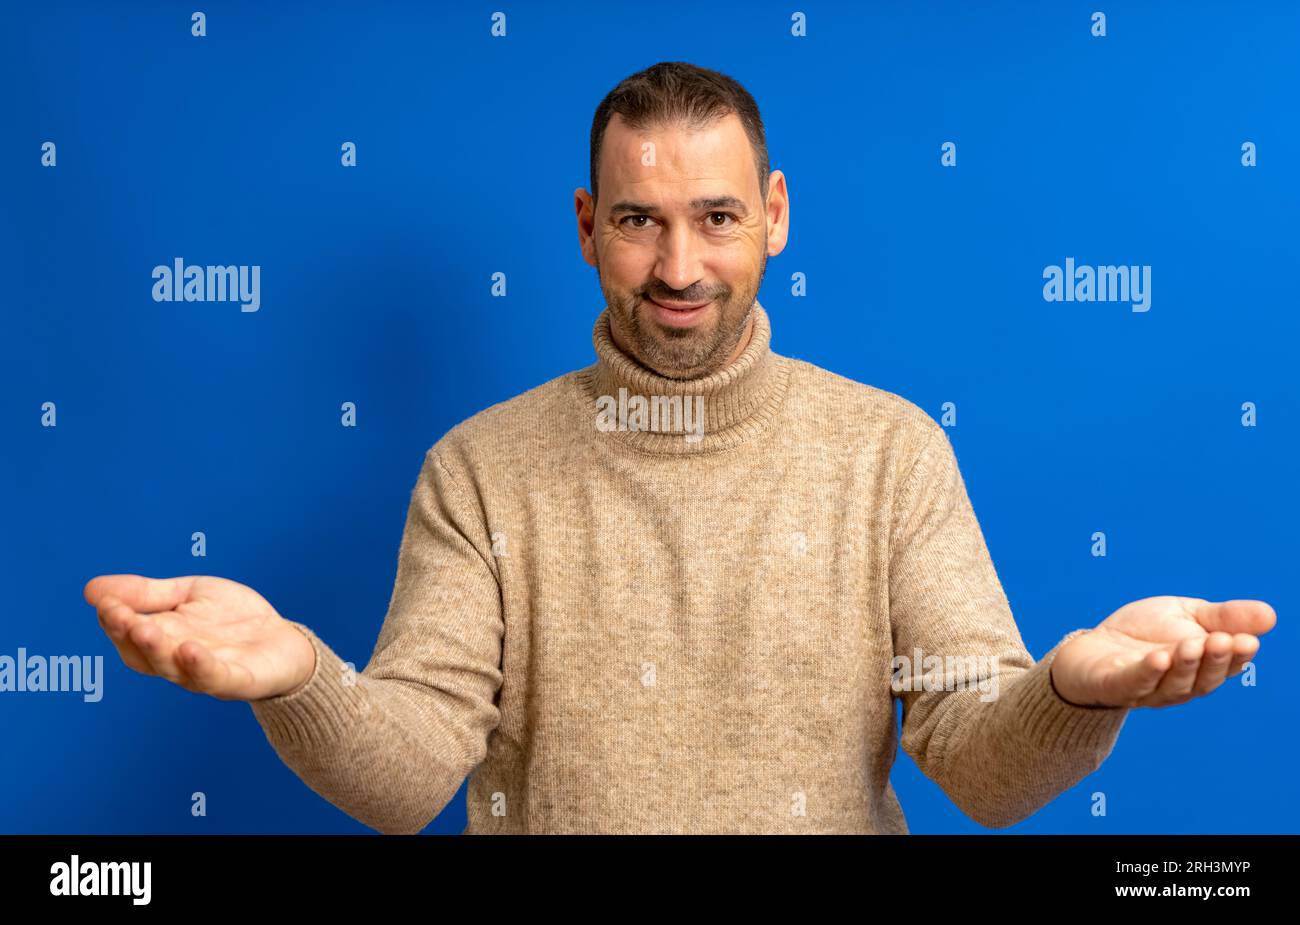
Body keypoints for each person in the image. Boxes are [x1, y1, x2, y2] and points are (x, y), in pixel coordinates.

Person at [84, 61, 1275, 835]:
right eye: (640, 222)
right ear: (587, 227)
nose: (679, 267)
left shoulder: (888, 452)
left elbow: (979, 768)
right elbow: (407, 780)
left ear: (773, 216)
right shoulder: (480, 470)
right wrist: (300, 674)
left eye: (715, 218)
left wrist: (1069, 690)